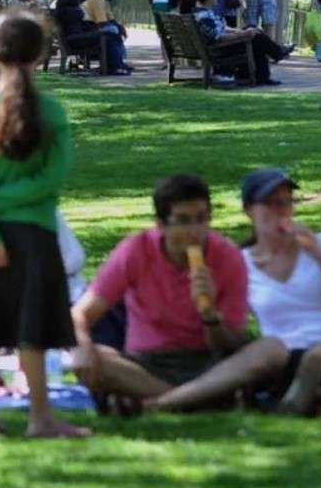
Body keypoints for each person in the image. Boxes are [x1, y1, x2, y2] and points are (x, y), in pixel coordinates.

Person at [0, 12, 87, 437]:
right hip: (36, 234)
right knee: (34, 327)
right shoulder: (52, 111)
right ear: (41, 54)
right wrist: (10, 202)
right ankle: (41, 418)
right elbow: (51, 178)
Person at [72, 174, 289, 415]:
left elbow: (230, 342)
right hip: (147, 364)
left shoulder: (227, 256)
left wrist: (210, 315)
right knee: (95, 358)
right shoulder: (137, 250)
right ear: (162, 224)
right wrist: (81, 349)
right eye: (183, 221)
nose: (194, 231)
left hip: (209, 362)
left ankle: (159, 403)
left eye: (201, 219)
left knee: (273, 349)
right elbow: (80, 314)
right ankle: (201, 400)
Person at [240, 168, 321, 414]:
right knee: (317, 356)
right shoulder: (242, 264)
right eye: (270, 204)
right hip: (285, 354)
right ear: (249, 210)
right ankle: (314, 394)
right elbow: (231, 325)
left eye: (286, 202)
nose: (280, 211)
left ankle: (308, 398)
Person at [192, 0, 286, 86]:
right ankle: (277, 55)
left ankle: (271, 63)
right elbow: (219, 38)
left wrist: (242, 32)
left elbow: (222, 29)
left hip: (221, 45)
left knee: (253, 29)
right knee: (257, 38)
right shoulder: (203, 16)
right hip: (220, 49)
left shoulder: (204, 12)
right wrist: (244, 35)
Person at [54, 0, 129, 75]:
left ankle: (116, 65)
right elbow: (81, 23)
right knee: (110, 36)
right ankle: (114, 67)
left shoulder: (62, 11)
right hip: (77, 40)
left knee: (110, 35)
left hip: (74, 39)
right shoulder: (72, 12)